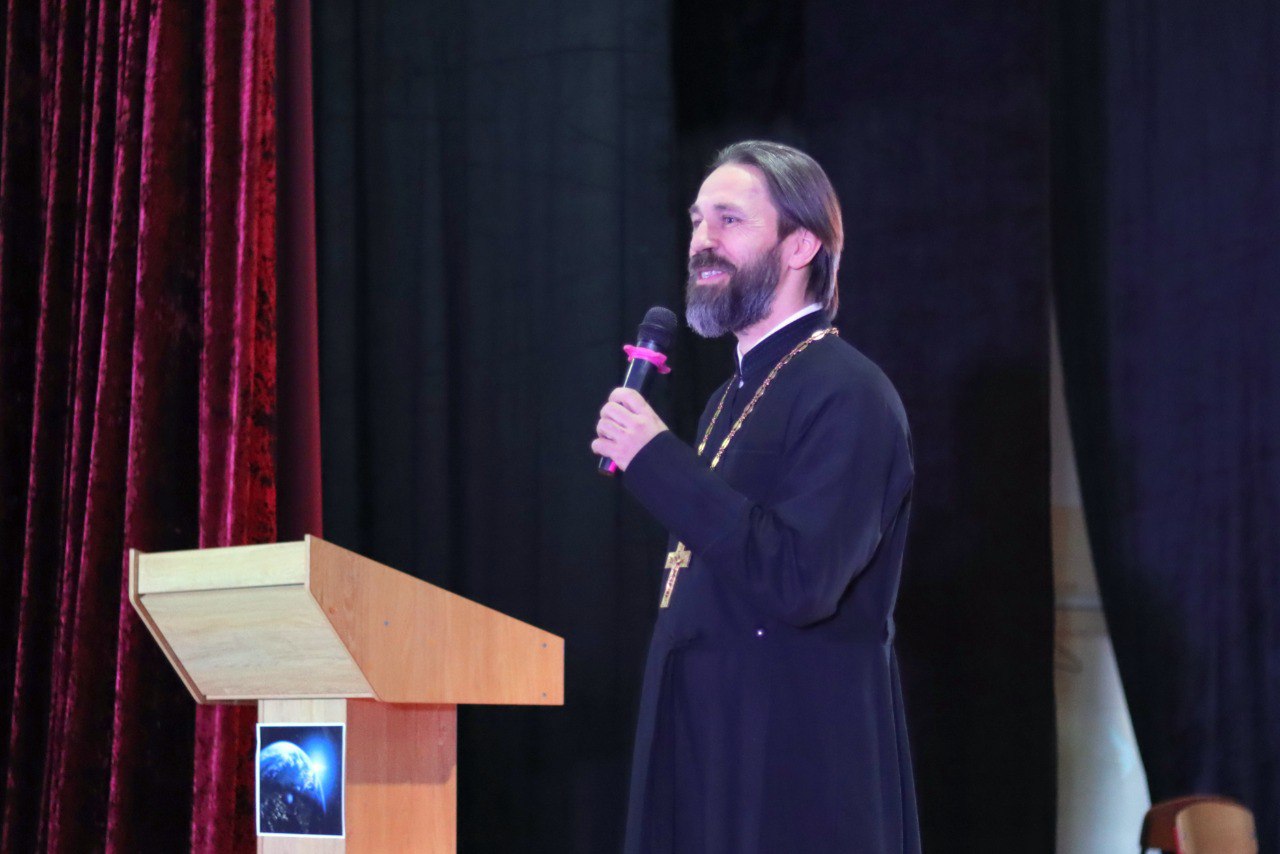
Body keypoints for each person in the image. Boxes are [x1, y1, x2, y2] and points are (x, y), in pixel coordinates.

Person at [592, 140, 921, 853]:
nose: (701, 240)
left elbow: (801, 579)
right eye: (697, 220)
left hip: (792, 763)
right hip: (709, 746)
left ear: (801, 245)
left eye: (730, 220)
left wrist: (658, 459)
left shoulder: (850, 393)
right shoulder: (725, 400)